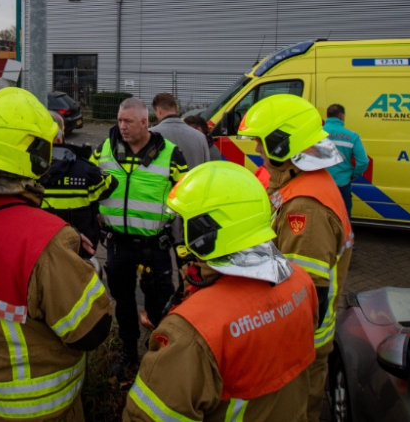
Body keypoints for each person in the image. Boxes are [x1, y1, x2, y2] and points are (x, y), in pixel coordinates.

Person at [0, 87, 113, 422]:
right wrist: (83, 269)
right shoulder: (47, 240)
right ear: (36, 153)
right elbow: (90, 331)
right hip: (39, 407)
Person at [124, 162, 318, 422]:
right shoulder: (301, 282)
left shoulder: (191, 330)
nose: (180, 232)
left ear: (205, 231)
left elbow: (147, 417)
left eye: (185, 222)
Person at [235, 94, 353, 422]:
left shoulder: (305, 208)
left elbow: (302, 294)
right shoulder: (304, 182)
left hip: (300, 346)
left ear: (281, 145)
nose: (257, 151)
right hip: (303, 344)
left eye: (261, 144)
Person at [92, 97, 188, 377]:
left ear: (145, 122)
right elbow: (89, 180)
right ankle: (129, 352)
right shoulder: (106, 149)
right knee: (123, 302)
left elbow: (189, 194)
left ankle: (160, 357)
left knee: (160, 304)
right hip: (117, 244)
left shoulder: (170, 153)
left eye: (128, 122)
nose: (122, 126)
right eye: (120, 120)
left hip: (154, 246)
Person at [39, 110, 117, 250]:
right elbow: (111, 183)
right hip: (78, 250)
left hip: (38, 251)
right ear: (59, 137)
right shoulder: (87, 171)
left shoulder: (23, 173)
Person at [323, 104, 369, 217]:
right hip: (342, 183)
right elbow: (363, 161)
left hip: (321, 183)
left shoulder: (315, 134)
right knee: (343, 217)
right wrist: (354, 174)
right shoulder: (352, 136)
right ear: (341, 116)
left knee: (321, 217)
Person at [151, 92, 212, 167]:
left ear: (159, 110)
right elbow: (206, 170)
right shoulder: (200, 137)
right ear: (176, 110)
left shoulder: (150, 135)